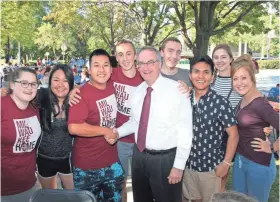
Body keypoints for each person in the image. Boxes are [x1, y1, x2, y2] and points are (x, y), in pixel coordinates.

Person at [116, 46, 193, 202]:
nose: (145, 67)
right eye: (141, 63)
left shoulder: (177, 91)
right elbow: (136, 122)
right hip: (139, 157)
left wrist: (178, 166)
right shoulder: (138, 91)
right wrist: (117, 132)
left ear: (159, 63)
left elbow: (185, 132)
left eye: (150, 62)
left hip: (165, 160)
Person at [68, 49, 124, 202]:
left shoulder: (113, 85)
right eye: (96, 65)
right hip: (86, 168)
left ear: (111, 69)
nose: (101, 70)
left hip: (112, 163)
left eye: (106, 65)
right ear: (90, 69)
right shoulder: (81, 94)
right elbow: (73, 127)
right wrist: (105, 131)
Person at [182, 56, 238, 202]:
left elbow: (233, 135)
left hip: (211, 169)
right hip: (187, 166)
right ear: (190, 75)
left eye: (206, 72)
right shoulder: (183, 99)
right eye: (196, 71)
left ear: (212, 77)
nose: (200, 76)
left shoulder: (221, 103)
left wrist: (226, 164)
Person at [231, 55, 279, 202]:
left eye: (243, 78)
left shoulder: (261, 104)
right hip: (240, 161)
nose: (239, 83)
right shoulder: (243, 99)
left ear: (252, 77)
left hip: (258, 165)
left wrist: (272, 147)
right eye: (235, 78)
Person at [1, 68, 41, 202]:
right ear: (12, 84)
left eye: (33, 84)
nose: (29, 88)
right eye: (24, 83)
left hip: (29, 184)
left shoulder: (34, 109)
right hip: (4, 189)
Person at [36, 64, 74, 189]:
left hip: (68, 160)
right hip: (44, 159)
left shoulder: (76, 101)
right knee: (50, 197)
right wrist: (7, 91)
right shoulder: (40, 97)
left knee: (72, 196)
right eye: (56, 80)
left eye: (65, 80)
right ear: (50, 80)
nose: (60, 84)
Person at [211, 44, 242, 191]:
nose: (219, 60)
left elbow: (253, 101)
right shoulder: (211, 81)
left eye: (223, 57)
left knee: (222, 176)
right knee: (209, 176)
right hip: (210, 135)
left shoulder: (238, 81)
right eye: (216, 57)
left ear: (231, 59)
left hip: (228, 136)